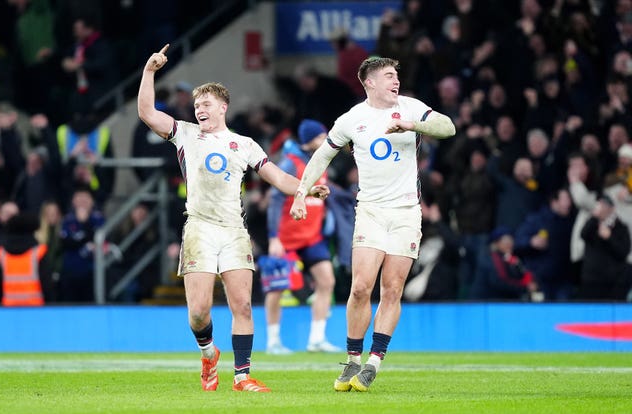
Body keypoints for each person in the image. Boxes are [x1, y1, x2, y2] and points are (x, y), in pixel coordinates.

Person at [137, 44, 329, 393]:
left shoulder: (244, 144)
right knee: (198, 312)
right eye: (197, 106)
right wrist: (150, 72)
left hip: (233, 230)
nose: (199, 110)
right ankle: (209, 353)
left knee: (241, 303)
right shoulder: (185, 133)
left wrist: (306, 189)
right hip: (199, 227)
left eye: (206, 104)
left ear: (222, 108)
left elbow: (276, 177)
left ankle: (242, 377)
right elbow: (147, 112)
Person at [289, 57, 455, 392]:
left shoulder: (411, 108)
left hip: (407, 213)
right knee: (361, 287)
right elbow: (322, 155)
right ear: (370, 82)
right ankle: (352, 360)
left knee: (392, 289)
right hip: (371, 211)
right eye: (389, 76)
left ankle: (374, 362)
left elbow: (448, 127)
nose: (396, 81)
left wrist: (412, 125)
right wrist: (300, 193)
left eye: (397, 75)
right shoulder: (353, 119)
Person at [264, 119, 341, 354]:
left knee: (327, 281)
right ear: (309, 141)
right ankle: (273, 341)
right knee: (276, 289)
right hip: (286, 238)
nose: (326, 140)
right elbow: (275, 202)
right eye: (321, 137)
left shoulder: (322, 164)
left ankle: (316, 339)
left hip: (312, 237)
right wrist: (273, 237)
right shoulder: (290, 163)